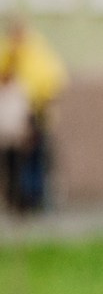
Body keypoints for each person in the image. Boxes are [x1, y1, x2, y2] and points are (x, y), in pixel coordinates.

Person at [0, 17, 68, 213]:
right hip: (14, 117)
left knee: (35, 156)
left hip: (34, 113)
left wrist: (41, 105)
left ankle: (34, 198)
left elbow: (52, 80)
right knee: (16, 159)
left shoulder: (36, 52)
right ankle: (21, 198)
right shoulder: (10, 51)